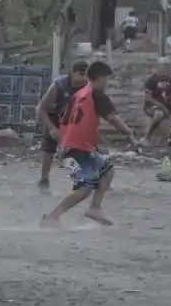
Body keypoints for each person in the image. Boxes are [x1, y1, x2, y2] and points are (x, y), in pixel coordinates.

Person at [41, 61, 136, 227]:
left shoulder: (79, 94)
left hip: (76, 147)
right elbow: (112, 118)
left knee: (107, 170)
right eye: (106, 79)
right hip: (74, 149)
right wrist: (130, 134)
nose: (107, 83)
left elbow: (68, 118)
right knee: (84, 188)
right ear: (100, 78)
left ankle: (95, 208)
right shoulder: (97, 94)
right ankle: (52, 217)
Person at [35, 59, 89, 193]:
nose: (83, 78)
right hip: (54, 116)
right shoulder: (58, 86)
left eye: (86, 75)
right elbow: (41, 109)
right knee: (49, 146)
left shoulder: (87, 87)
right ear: (72, 73)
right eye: (81, 74)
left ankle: (89, 178)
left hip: (73, 118)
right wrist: (52, 129)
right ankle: (44, 179)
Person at [143, 58, 171, 145]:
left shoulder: (169, 80)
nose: (165, 68)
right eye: (163, 65)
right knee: (159, 113)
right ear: (158, 66)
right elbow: (148, 99)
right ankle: (146, 137)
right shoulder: (151, 80)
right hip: (152, 106)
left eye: (167, 66)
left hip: (165, 105)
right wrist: (162, 107)